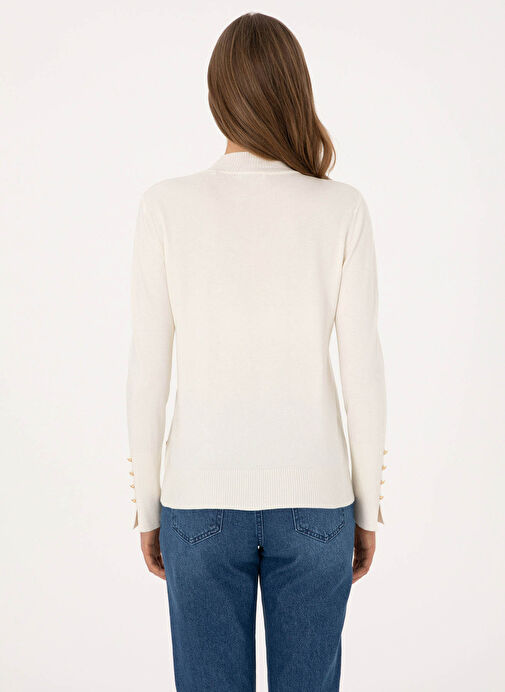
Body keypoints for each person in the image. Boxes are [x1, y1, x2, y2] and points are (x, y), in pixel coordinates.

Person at [126, 11, 387, 691]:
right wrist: (365, 510)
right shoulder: (341, 209)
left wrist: (148, 508)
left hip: (198, 499)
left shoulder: (166, 207)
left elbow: (147, 374)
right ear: (296, 90)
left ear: (217, 94)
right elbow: (363, 375)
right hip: (317, 501)